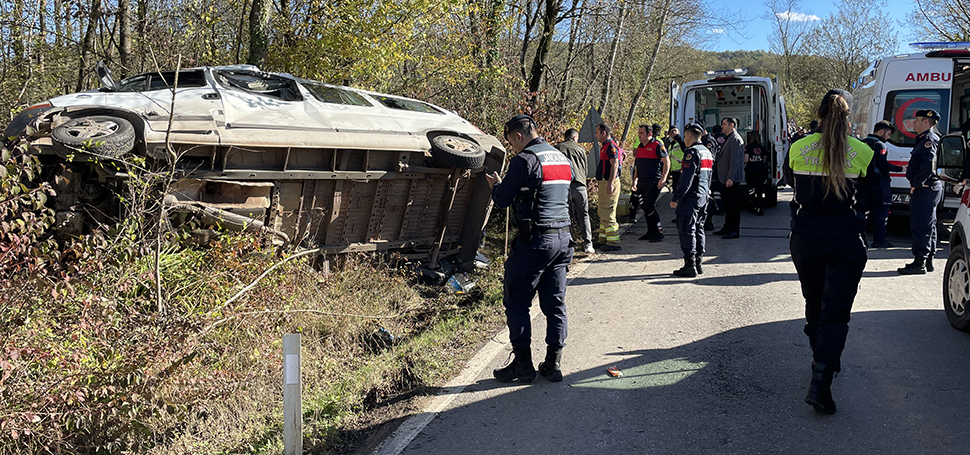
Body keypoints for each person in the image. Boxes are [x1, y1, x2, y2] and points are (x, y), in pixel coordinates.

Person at [783, 89, 874, 414]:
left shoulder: (798, 147)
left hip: (806, 237)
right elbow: (875, 194)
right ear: (847, 117)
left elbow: (789, 179)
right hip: (845, 239)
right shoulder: (863, 152)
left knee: (814, 301)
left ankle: (819, 357)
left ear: (819, 115)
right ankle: (822, 379)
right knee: (835, 313)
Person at [486, 114, 574, 383]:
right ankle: (553, 364)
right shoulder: (561, 158)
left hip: (536, 242)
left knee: (517, 301)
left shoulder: (524, 160)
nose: (513, 147)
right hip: (563, 239)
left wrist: (496, 185)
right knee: (555, 303)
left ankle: (523, 366)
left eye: (512, 142)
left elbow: (503, 200)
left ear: (519, 137)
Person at [898, 109, 944, 274]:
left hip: (925, 188)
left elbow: (929, 164)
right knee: (929, 224)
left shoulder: (928, 140)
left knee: (921, 225)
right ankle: (928, 259)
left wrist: (917, 183)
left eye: (916, 120)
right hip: (929, 188)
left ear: (926, 122)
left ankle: (920, 262)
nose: (913, 122)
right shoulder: (925, 139)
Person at [670, 123, 713, 277]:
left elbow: (686, 178)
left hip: (691, 197)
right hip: (703, 196)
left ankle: (690, 265)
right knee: (699, 228)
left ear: (688, 136)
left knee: (687, 230)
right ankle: (698, 263)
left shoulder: (692, 153)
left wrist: (677, 197)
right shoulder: (706, 152)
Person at [860, 120, 904, 248]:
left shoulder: (862, 143)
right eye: (888, 134)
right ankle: (879, 240)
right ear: (881, 132)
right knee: (881, 214)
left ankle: (860, 239)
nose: (888, 138)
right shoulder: (879, 145)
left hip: (864, 183)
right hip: (880, 184)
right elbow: (882, 164)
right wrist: (900, 169)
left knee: (863, 212)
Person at [556, 128, 596, 254]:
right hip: (580, 186)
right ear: (575, 138)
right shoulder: (581, 149)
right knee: (584, 215)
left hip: (564, 187)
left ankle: (568, 244)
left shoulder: (557, 148)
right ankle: (588, 244)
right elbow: (585, 170)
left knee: (565, 217)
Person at [631, 124, 670, 242]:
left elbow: (666, 162)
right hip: (642, 181)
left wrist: (663, 178)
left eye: (641, 133)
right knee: (644, 206)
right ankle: (650, 231)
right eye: (639, 133)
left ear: (649, 134)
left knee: (649, 205)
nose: (639, 136)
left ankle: (659, 232)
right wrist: (635, 180)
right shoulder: (640, 146)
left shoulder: (657, 145)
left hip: (653, 181)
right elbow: (637, 165)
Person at [715, 117, 744, 239]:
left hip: (730, 179)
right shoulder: (729, 138)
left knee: (732, 205)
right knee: (727, 204)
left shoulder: (736, 140)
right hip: (724, 177)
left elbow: (734, 161)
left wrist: (730, 178)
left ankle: (734, 230)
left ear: (731, 125)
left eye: (724, 124)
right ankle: (727, 227)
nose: (722, 126)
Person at [595, 123, 622, 251]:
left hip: (608, 182)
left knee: (608, 212)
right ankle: (603, 239)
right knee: (602, 212)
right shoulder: (605, 146)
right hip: (604, 182)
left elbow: (614, 165)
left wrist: (610, 183)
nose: (596, 136)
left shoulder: (610, 146)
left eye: (597, 133)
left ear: (604, 133)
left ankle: (614, 242)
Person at [744, 131, 769, 216]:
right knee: (759, 189)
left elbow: (746, 160)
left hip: (750, 170)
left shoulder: (748, 147)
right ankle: (760, 207)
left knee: (751, 189)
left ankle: (753, 206)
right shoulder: (763, 148)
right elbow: (765, 160)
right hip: (760, 170)